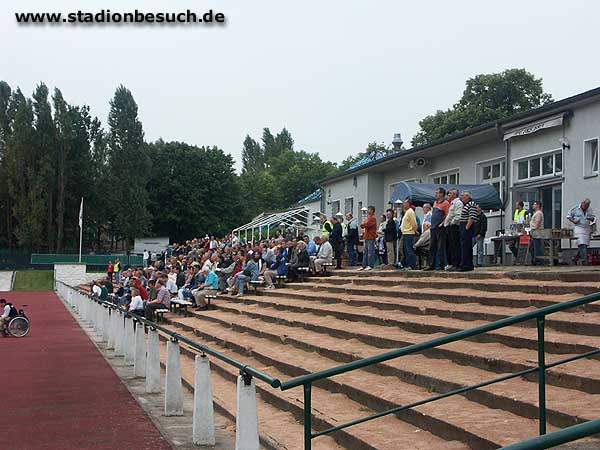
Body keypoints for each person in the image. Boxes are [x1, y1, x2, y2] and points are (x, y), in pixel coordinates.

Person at [424, 187, 449, 271]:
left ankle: (440, 265)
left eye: (437, 192)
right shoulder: (435, 203)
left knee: (440, 247)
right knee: (432, 247)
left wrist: (442, 223)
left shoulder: (445, 203)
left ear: (442, 194)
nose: (435, 194)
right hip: (433, 227)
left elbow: (447, 215)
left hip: (440, 228)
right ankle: (431, 264)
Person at [567, 198, 595, 265]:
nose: (586, 207)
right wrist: (573, 221)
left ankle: (575, 258)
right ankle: (584, 261)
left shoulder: (589, 209)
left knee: (584, 246)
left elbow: (593, 218)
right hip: (579, 228)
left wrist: (591, 219)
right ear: (582, 204)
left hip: (586, 228)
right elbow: (568, 216)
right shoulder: (575, 209)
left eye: (587, 206)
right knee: (582, 244)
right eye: (585, 205)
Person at [458, 191, 478, 272]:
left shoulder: (471, 204)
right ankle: (467, 264)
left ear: (468, 197)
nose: (461, 197)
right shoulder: (466, 205)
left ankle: (465, 265)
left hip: (466, 227)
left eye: (463, 196)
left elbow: (472, 217)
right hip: (463, 225)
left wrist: (466, 228)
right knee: (465, 246)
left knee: (465, 247)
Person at [444, 188, 463, 271]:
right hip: (449, 227)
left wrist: (452, 222)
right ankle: (452, 263)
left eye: (450, 193)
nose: (448, 195)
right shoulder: (452, 203)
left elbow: (458, 215)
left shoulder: (458, 203)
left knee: (455, 246)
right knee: (450, 247)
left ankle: (456, 264)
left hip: (454, 227)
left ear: (455, 195)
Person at [401, 199, 418, 269]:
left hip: (409, 233)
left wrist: (414, 230)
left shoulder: (410, 212)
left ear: (408, 204)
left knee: (409, 250)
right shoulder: (407, 212)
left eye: (405, 203)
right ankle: (408, 265)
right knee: (406, 251)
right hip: (405, 233)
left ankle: (412, 265)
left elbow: (414, 223)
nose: (403, 205)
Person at [359, 206, 377, 271]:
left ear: (372, 210)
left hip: (371, 236)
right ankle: (364, 265)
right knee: (365, 252)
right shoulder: (368, 218)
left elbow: (367, 225)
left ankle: (370, 265)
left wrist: (363, 225)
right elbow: (364, 224)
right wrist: (363, 225)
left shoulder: (373, 218)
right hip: (366, 236)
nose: (368, 211)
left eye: (369, 210)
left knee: (370, 252)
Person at [529, 201, 544, 266]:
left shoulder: (538, 213)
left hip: (537, 233)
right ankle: (535, 260)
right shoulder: (536, 213)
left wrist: (533, 229)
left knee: (536, 247)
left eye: (534, 204)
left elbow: (537, 223)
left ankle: (539, 261)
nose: (533, 205)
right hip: (534, 233)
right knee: (532, 247)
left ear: (538, 205)